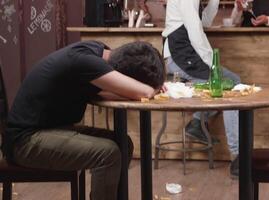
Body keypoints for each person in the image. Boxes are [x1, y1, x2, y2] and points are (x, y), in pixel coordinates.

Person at [1, 40, 165, 200]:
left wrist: (147, 87)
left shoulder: (96, 50)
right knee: (107, 153)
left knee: (123, 143)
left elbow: (111, 92)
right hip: (24, 142)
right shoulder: (84, 61)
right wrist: (152, 88)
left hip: (49, 131)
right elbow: (142, 93)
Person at [162, 0, 241, 178]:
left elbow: (203, 22)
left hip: (186, 54)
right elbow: (195, 31)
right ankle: (237, 158)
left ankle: (198, 121)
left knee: (234, 81)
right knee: (232, 89)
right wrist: (212, 65)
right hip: (181, 56)